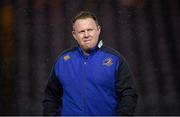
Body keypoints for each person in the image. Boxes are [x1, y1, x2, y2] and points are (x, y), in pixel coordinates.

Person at [43, 11, 138, 116]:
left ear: (98, 30)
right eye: (81, 31)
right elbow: (50, 96)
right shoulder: (62, 61)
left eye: (90, 30)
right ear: (74, 35)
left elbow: (128, 94)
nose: (86, 35)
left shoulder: (115, 59)